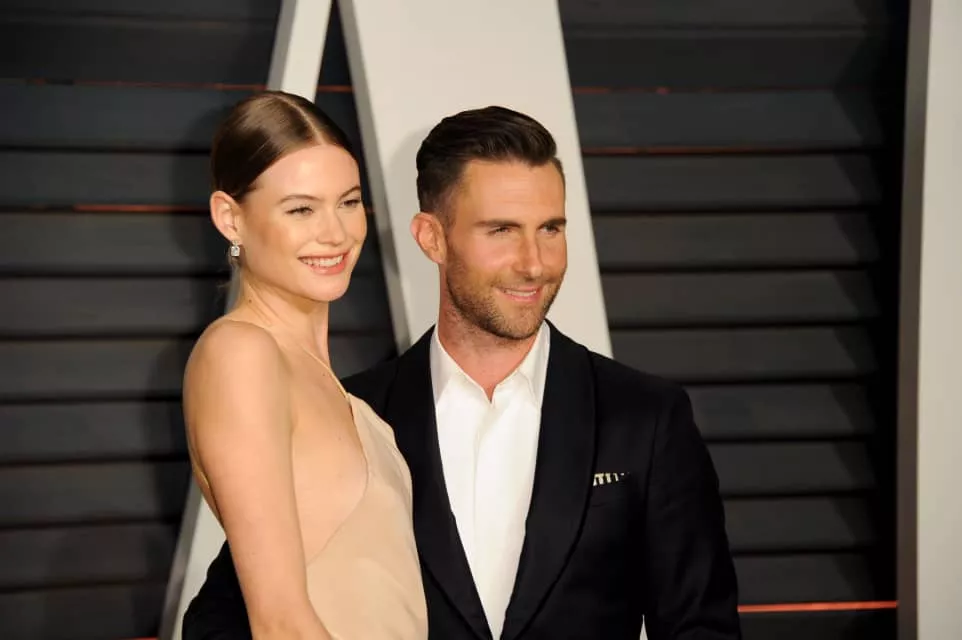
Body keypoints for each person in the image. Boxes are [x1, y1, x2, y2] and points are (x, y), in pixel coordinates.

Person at [184, 105, 741, 639]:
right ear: (431, 237)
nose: (533, 263)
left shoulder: (646, 418)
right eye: (501, 230)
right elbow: (237, 617)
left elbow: (701, 627)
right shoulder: (354, 400)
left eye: (550, 228)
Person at [181, 91, 427, 639]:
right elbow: (280, 622)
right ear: (230, 218)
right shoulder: (241, 355)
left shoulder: (330, 383)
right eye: (301, 209)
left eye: (348, 202)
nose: (335, 233)